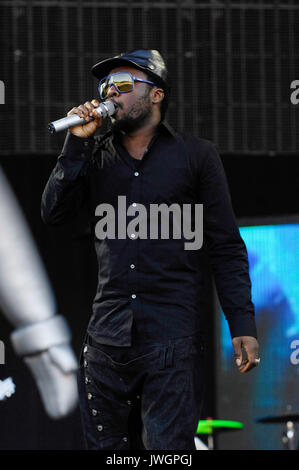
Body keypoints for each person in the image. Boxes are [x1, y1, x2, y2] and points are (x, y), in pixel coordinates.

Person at [41, 49, 259, 450]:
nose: (109, 92)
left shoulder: (197, 156)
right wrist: (75, 146)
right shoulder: (95, 156)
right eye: (105, 86)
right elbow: (53, 214)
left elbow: (226, 245)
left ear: (155, 94)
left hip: (172, 339)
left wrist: (241, 323)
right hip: (107, 339)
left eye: (122, 85)